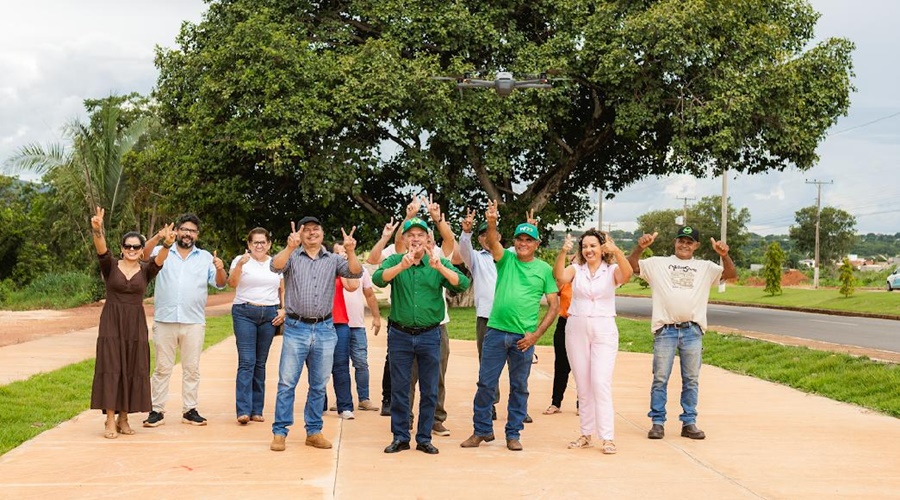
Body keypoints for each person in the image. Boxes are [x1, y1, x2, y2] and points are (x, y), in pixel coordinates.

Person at [460, 200, 559, 452]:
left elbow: (554, 305)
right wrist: (491, 221)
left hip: (523, 339)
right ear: (514, 242)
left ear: (537, 244)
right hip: (495, 331)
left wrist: (536, 335)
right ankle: (481, 430)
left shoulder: (544, 270)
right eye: (519, 239)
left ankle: (513, 433)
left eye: (529, 240)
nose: (523, 243)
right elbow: (492, 241)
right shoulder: (505, 260)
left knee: (519, 387)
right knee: (485, 384)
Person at [626, 225, 736, 440]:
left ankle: (689, 422)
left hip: (692, 331)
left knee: (691, 379)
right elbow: (631, 267)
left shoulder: (705, 267)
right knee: (660, 378)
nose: (684, 245)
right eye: (681, 240)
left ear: (696, 246)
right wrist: (639, 248)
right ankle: (657, 422)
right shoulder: (658, 263)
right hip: (665, 330)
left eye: (689, 242)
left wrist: (725, 255)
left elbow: (731, 274)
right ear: (675, 242)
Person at [373, 216, 470, 455]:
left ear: (428, 239)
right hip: (400, 335)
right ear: (404, 240)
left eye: (420, 235)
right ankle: (400, 436)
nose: (415, 239)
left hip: (430, 335)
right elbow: (378, 278)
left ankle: (424, 438)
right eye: (410, 235)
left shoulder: (436, 262)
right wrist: (401, 267)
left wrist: (441, 269)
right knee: (400, 388)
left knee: (430, 389)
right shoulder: (395, 260)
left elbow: (462, 283)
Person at [269, 217, 362, 452]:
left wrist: (350, 252)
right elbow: (275, 266)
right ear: (300, 235)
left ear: (322, 233)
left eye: (315, 230)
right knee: (287, 382)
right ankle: (280, 432)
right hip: (295, 328)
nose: (311, 233)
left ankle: (313, 431)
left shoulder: (332, 260)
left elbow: (355, 274)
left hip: (325, 329)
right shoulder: (292, 257)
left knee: (319, 384)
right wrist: (290, 246)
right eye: (306, 230)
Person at [89, 207, 174, 439]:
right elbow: (101, 250)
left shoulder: (146, 270)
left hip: (135, 323)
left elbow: (159, 261)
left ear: (141, 249)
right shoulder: (111, 266)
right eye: (128, 246)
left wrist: (166, 244)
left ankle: (124, 417)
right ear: (122, 248)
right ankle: (109, 419)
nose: (132, 250)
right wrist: (98, 230)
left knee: (132, 366)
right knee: (112, 366)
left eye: (137, 246)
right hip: (111, 322)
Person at [142, 213, 227, 428]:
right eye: (184, 229)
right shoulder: (163, 252)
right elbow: (143, 255)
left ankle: (190, 409)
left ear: (197, 235)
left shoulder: (206, 257)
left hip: (193, 321)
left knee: (192, 368)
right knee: (162, 368)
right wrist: (159, 237)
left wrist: (220, 268)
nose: (188, 234)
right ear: (177, 231)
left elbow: (220, 283)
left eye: (192, 231)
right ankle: (157, 410)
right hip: (165, 319)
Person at [554, 229, 632, 454]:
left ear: (601, 248)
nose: (588, 250)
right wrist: (562, 252)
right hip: (577, 327)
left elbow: (626, 275)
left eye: (593, 246)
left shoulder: (611, 270)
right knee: (583, 385)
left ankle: (607, 437)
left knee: (600, 382)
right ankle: (586, 434)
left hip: (604, 328)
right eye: (585, 246)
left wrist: (616, 250)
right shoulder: (576, 269)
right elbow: (559, 277)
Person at [227, 227, 285, 425]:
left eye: (263, 242)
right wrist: (240, 266)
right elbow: (232, 284)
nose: (259, 246)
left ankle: (256, 409)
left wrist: (283, 310)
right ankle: (243, 410)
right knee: (247, 361)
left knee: (260, 362)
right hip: (245, 312)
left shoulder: (276, 263)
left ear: (269, 244)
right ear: (249, 245)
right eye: (255, 242)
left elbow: (282, 289)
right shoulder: (240, 260)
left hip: (269, 314)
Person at [335, 242, 383, 412]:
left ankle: (364, 398)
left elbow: (369, 294)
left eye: (344, 251)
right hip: (336, 324)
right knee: (338, 364)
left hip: (357, 325)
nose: (342, 254)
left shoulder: (360, 270)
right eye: (338, 252)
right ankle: (341, 399)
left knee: (361, 362)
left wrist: (376, 317)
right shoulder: (331, 270)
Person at [543, 280, 573, 416]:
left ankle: (582, 404)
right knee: (561, 365)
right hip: (564, 323)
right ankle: (556, 403)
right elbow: (553, 288)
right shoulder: (566, 283)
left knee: (583, 366)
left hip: (583, 324)